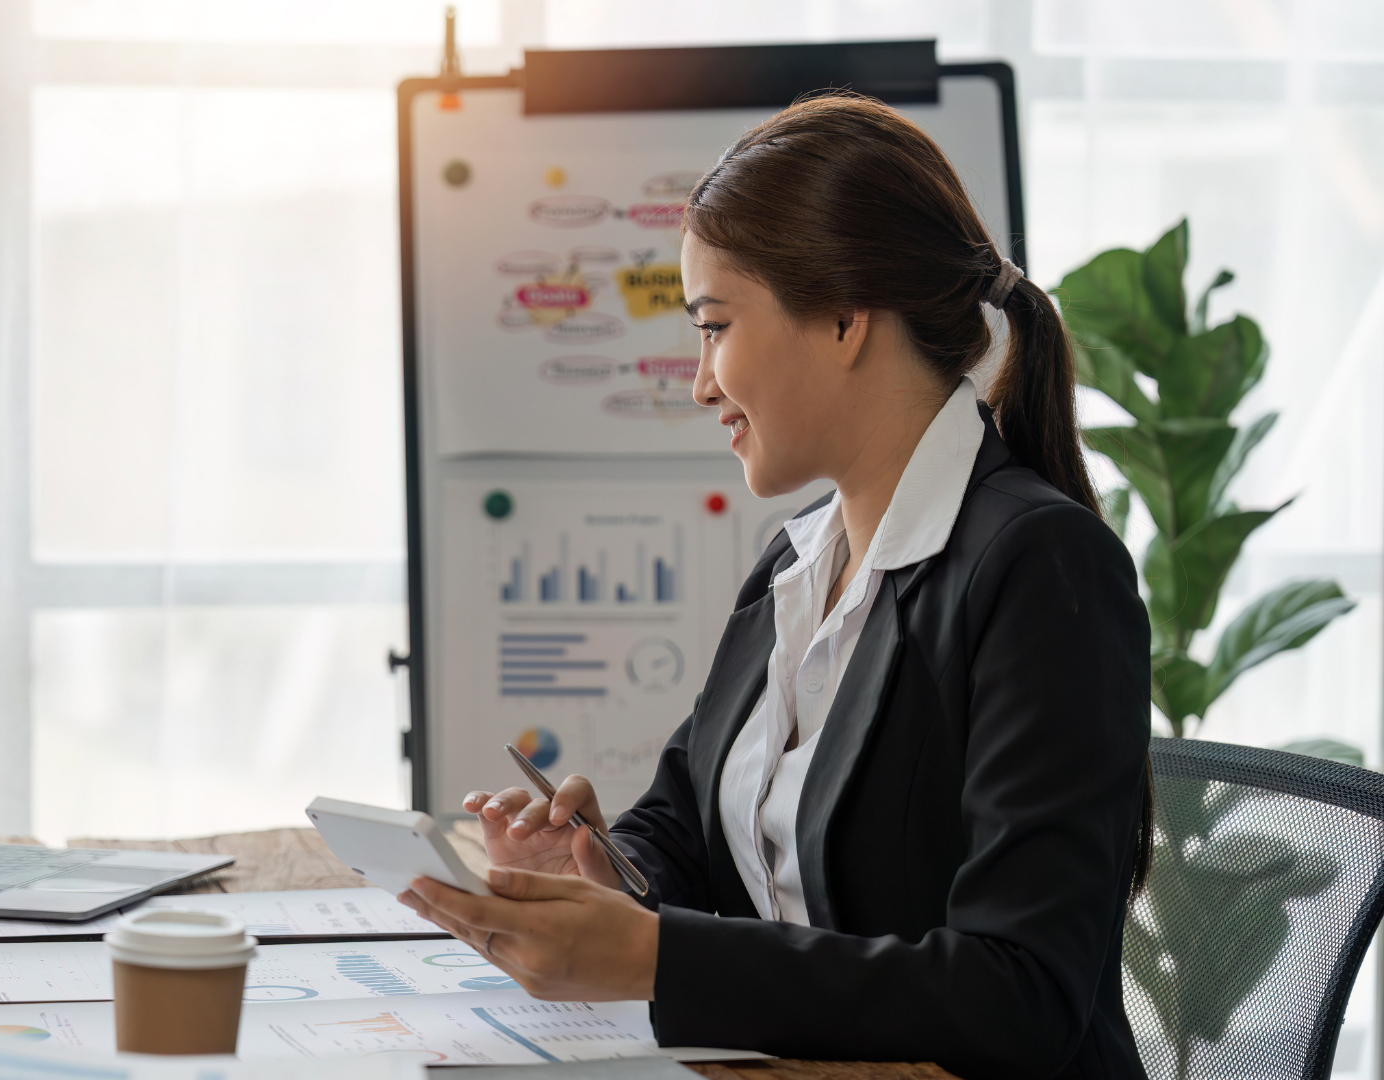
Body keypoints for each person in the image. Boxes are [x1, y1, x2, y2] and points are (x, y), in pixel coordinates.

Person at [397, 94, 1153, 1080]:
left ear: (845, 316)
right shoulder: (800, 558)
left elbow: (1020, 992)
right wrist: (606, 869)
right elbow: (692, 824)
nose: (701, 381)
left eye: (714, 327)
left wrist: (660, 955)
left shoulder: (1039, 566)